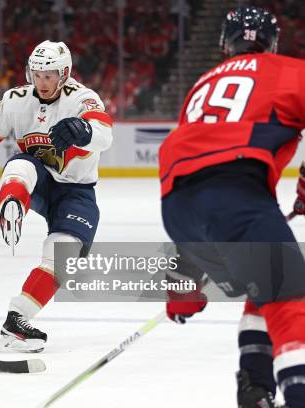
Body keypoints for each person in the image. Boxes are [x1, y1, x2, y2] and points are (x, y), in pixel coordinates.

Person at [159, 6, 305, 407]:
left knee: (266, 284)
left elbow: (194, 168)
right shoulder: (288, 70)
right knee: (292, 299)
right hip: (236, 197)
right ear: (272, 43)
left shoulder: (202, 83)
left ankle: (255, 391)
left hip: (178, 211)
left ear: (225, 44)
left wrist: (184, 277)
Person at [0, 40, 113, 352]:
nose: (42, 82)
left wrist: (84, 131)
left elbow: (105, 132)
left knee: (63, 257)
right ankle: (11, 204)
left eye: (49, 75)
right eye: (37, 74)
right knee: (22, 163)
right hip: (39, 181)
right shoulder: (17, 100)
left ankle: (17, 320)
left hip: (77, 190)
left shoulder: (83, 98)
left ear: (64, 74)